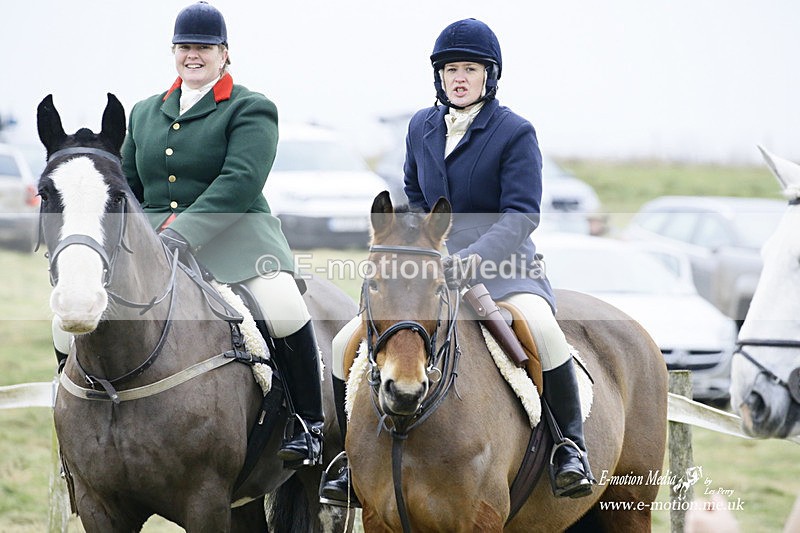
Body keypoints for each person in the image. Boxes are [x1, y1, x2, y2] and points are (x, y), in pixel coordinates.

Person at [320, 18, 594, 505]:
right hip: (431, 268)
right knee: (346, 340)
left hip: (507, 268)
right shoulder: (421, 127)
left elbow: (521, 216)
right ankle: (345, 456)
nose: (459, 78)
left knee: (543, 330)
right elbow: (415, 195)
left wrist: (468, 262)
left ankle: (570, 448)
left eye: (470, 69)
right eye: (451, 70)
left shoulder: (514, 132)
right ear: (439, 77)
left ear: (490, 76)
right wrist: (422, 251)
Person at [119, 1, 324, 468]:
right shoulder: (145, 112)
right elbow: (128, 183)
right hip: (153, 244)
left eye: (204, 48)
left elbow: (239, 182)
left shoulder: (251, 107)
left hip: (238, 240)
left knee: (283, 306)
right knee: (72, 316)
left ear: (224, 54)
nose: (194, 56)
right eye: (185, 47)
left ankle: (308, 426)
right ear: (173, 51)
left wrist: (181, 232)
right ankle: (75, 413)